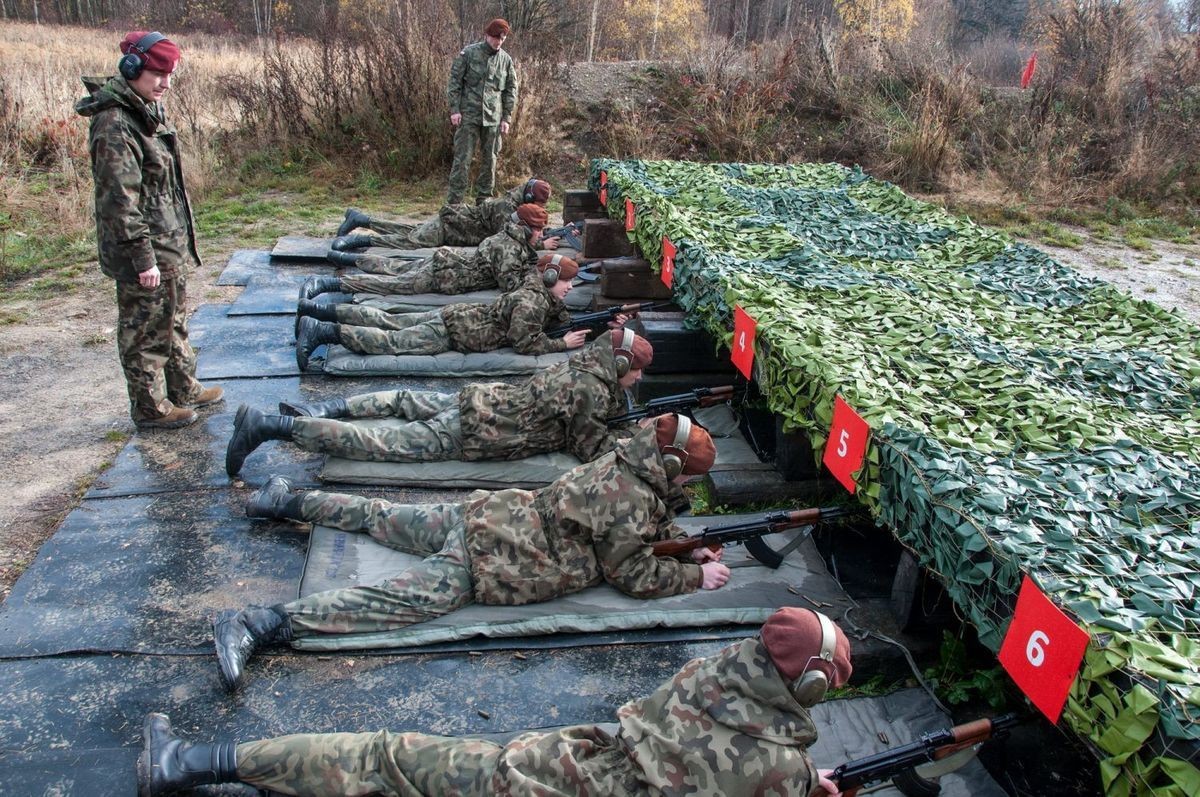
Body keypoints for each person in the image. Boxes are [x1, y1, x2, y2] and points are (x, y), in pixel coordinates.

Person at [214, 414, 726, 691]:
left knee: (380, 514)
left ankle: (282, 500)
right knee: (397, 601)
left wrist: (685, 550)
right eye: (688, 475)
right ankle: (261, 624)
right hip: (496, 560)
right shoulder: (634, 496)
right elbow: (631, 573)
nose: (687, 483)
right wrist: (693, 579)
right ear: (673, 463)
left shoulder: (624, 461)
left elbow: (643, 523)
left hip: (485, 515)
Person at [138, 606, 852, 795]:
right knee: (384, 764)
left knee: (386, 759)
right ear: (813, 687)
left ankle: (196, 760)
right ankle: (188, 764)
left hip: (556, 769)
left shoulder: (712, 677)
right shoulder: (776, 769)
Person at [227, 328, 653, 476]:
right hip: (476, 432)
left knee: (404, 400)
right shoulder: (591, 390)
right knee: (376, 444)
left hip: (477, 402)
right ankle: (267, 425)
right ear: (616, 363)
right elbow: (590, 447)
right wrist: (637, 437)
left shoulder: (581, 365)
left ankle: (322, 410)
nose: (637, 381)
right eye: (634, 371)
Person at [75, 31, 223, 429]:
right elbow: (119, 201)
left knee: (173, 319)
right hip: (145, 249)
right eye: (158, 73)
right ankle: (149, 407)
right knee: (145, 331)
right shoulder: (115, 124)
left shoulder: (144, 110)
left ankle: (182, 387)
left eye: (169, 74)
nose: (165, 83)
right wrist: (143, 257)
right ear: (133, 68)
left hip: (166, 242)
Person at [294, 256, 589, 368]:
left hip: (457, 318)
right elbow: (526, 343)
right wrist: (561, 345)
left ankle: (316, 309)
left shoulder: (535, 290)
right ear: (550, 278)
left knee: (390, 320)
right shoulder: (531, 303)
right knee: (391, 342)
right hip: (456, 332)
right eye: (567, 281)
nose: (571, 287)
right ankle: (323, 330)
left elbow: (557, 316)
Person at [317, 205, 550, 299]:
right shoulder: (509, 247)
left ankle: (344, 257)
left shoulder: (509, 237)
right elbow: (510, 285)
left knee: (395, 266)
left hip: (447, 265)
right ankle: (328, 285)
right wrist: (539, 276)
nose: (541, 235)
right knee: (389, 284)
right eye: (539, 230)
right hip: (446, 276)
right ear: (525, 228)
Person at [332, 179, 555, 251]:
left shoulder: (515, 202)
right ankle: (357, 240)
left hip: (455, 224)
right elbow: (508, 238)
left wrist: (547, 232)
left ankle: (360, 219)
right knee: (410, 243)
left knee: (407, 231)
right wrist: (541, 245)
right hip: (451, 226)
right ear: (528, 199)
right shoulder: (507, 208)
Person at [446, 18, 518, 205]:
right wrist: (455, 109)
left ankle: (484, 201)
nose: (498, 42)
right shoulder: (469, 54)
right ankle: (455, 203)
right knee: (462, 160)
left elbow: (511, 90)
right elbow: (454, 82)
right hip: (468, 116)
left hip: (493, 118)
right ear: (486, 35)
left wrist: (506, 118)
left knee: (490, 161)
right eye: (495, 38)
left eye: (502, 39)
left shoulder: (506, 61)